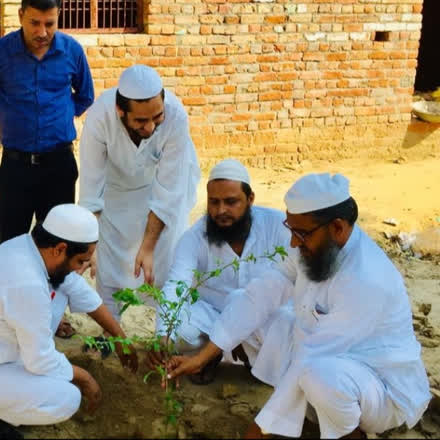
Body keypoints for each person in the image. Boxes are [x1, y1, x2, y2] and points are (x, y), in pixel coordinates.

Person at [167, 173, 431, 439]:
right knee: (241, 301)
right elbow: (261, 293)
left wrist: (257, 432)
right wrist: (203, 357)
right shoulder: (317, 245)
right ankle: (303, 413)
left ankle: (351, 434)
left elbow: (310, 360)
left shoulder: (367, 280)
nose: (293, 242)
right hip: (325, 355)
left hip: (381, 387)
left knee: (319, 377)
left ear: (337, 228)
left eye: (300, 233)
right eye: (291, 230)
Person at [0, 204, 138, 439]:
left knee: (63, 287)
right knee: (67, 399)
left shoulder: (30, 248)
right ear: (60, 249)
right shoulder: (26, 281)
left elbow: (77, 288)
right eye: (81, 261)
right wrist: (86, 378)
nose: (82, 268)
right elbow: (41, 361)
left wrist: (120, 337)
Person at [0, 0, 94, 245]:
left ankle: (52, 289)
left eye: (50, 23)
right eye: (35, 23)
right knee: (12, 245)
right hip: (16, 168)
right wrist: (3, 114)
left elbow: (85, 96)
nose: (42, 32)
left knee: (58, 244)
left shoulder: (72, 51)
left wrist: (61, 114)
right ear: (20, 16)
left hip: (59, 165)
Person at [148, 159, 291, 385]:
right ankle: (211, 355)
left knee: (288, 321)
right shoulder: (194, 237)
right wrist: (163, 336)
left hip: (264, 320)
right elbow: (177, 285)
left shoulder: (278, 226)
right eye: (214, 202)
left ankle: (234, 356)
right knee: (177, 326)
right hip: (215, 316)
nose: (221, 210)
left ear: (250, 199)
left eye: (231, 202)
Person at [78, 64, 200, 320]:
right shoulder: (100, 116)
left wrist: (147, 247)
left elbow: (168, 192)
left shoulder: (176, 116)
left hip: (160, 187)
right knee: (108, 261)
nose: (151, 128)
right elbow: (91, 187)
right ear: (120, 111)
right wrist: (91, 247)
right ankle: (110, 333)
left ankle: (168, 330)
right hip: (116, 189)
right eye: (141, 121)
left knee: (165, 256)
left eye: (157, 117)